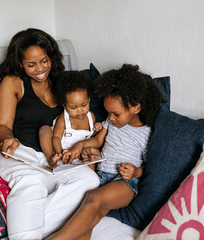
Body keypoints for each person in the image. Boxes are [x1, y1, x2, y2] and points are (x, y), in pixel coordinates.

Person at [0, 28, 100, 240]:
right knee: (31, 184)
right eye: (31, 64)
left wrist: (86, 146)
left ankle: (23, 230)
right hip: (17, 150)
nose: (40, 69)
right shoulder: (13, 82)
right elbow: (2, 125)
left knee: (89, 180)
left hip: (50, 156)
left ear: (52, 58)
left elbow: (76, 119)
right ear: (20, 63)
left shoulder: (60, 83)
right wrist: (6, 138)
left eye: (44, 61)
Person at [47, 64, 163, 240]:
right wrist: (81, 146)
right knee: (92, 218)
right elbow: (98, 140)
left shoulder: (147, 132)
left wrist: (136, 171)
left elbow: (152, 166)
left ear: (136, 108)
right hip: (103, 175)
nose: (111, 118)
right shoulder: (112, 120)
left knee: (93, 197)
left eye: (116, 113)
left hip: (125, 182)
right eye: (109, 113)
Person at [38, 71, 102, 166]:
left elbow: (90, 136)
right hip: (60, 150)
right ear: (64, 105)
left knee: (91, 154)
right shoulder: (63, 118)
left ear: (89, 100)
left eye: (84, 105)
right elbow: (56, 138)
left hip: (78, 153)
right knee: (44, 130)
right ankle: (51, 158)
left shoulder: (90, 116)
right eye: (73, 107)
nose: (80, 110)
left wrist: (97, 128)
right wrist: (61, 152)